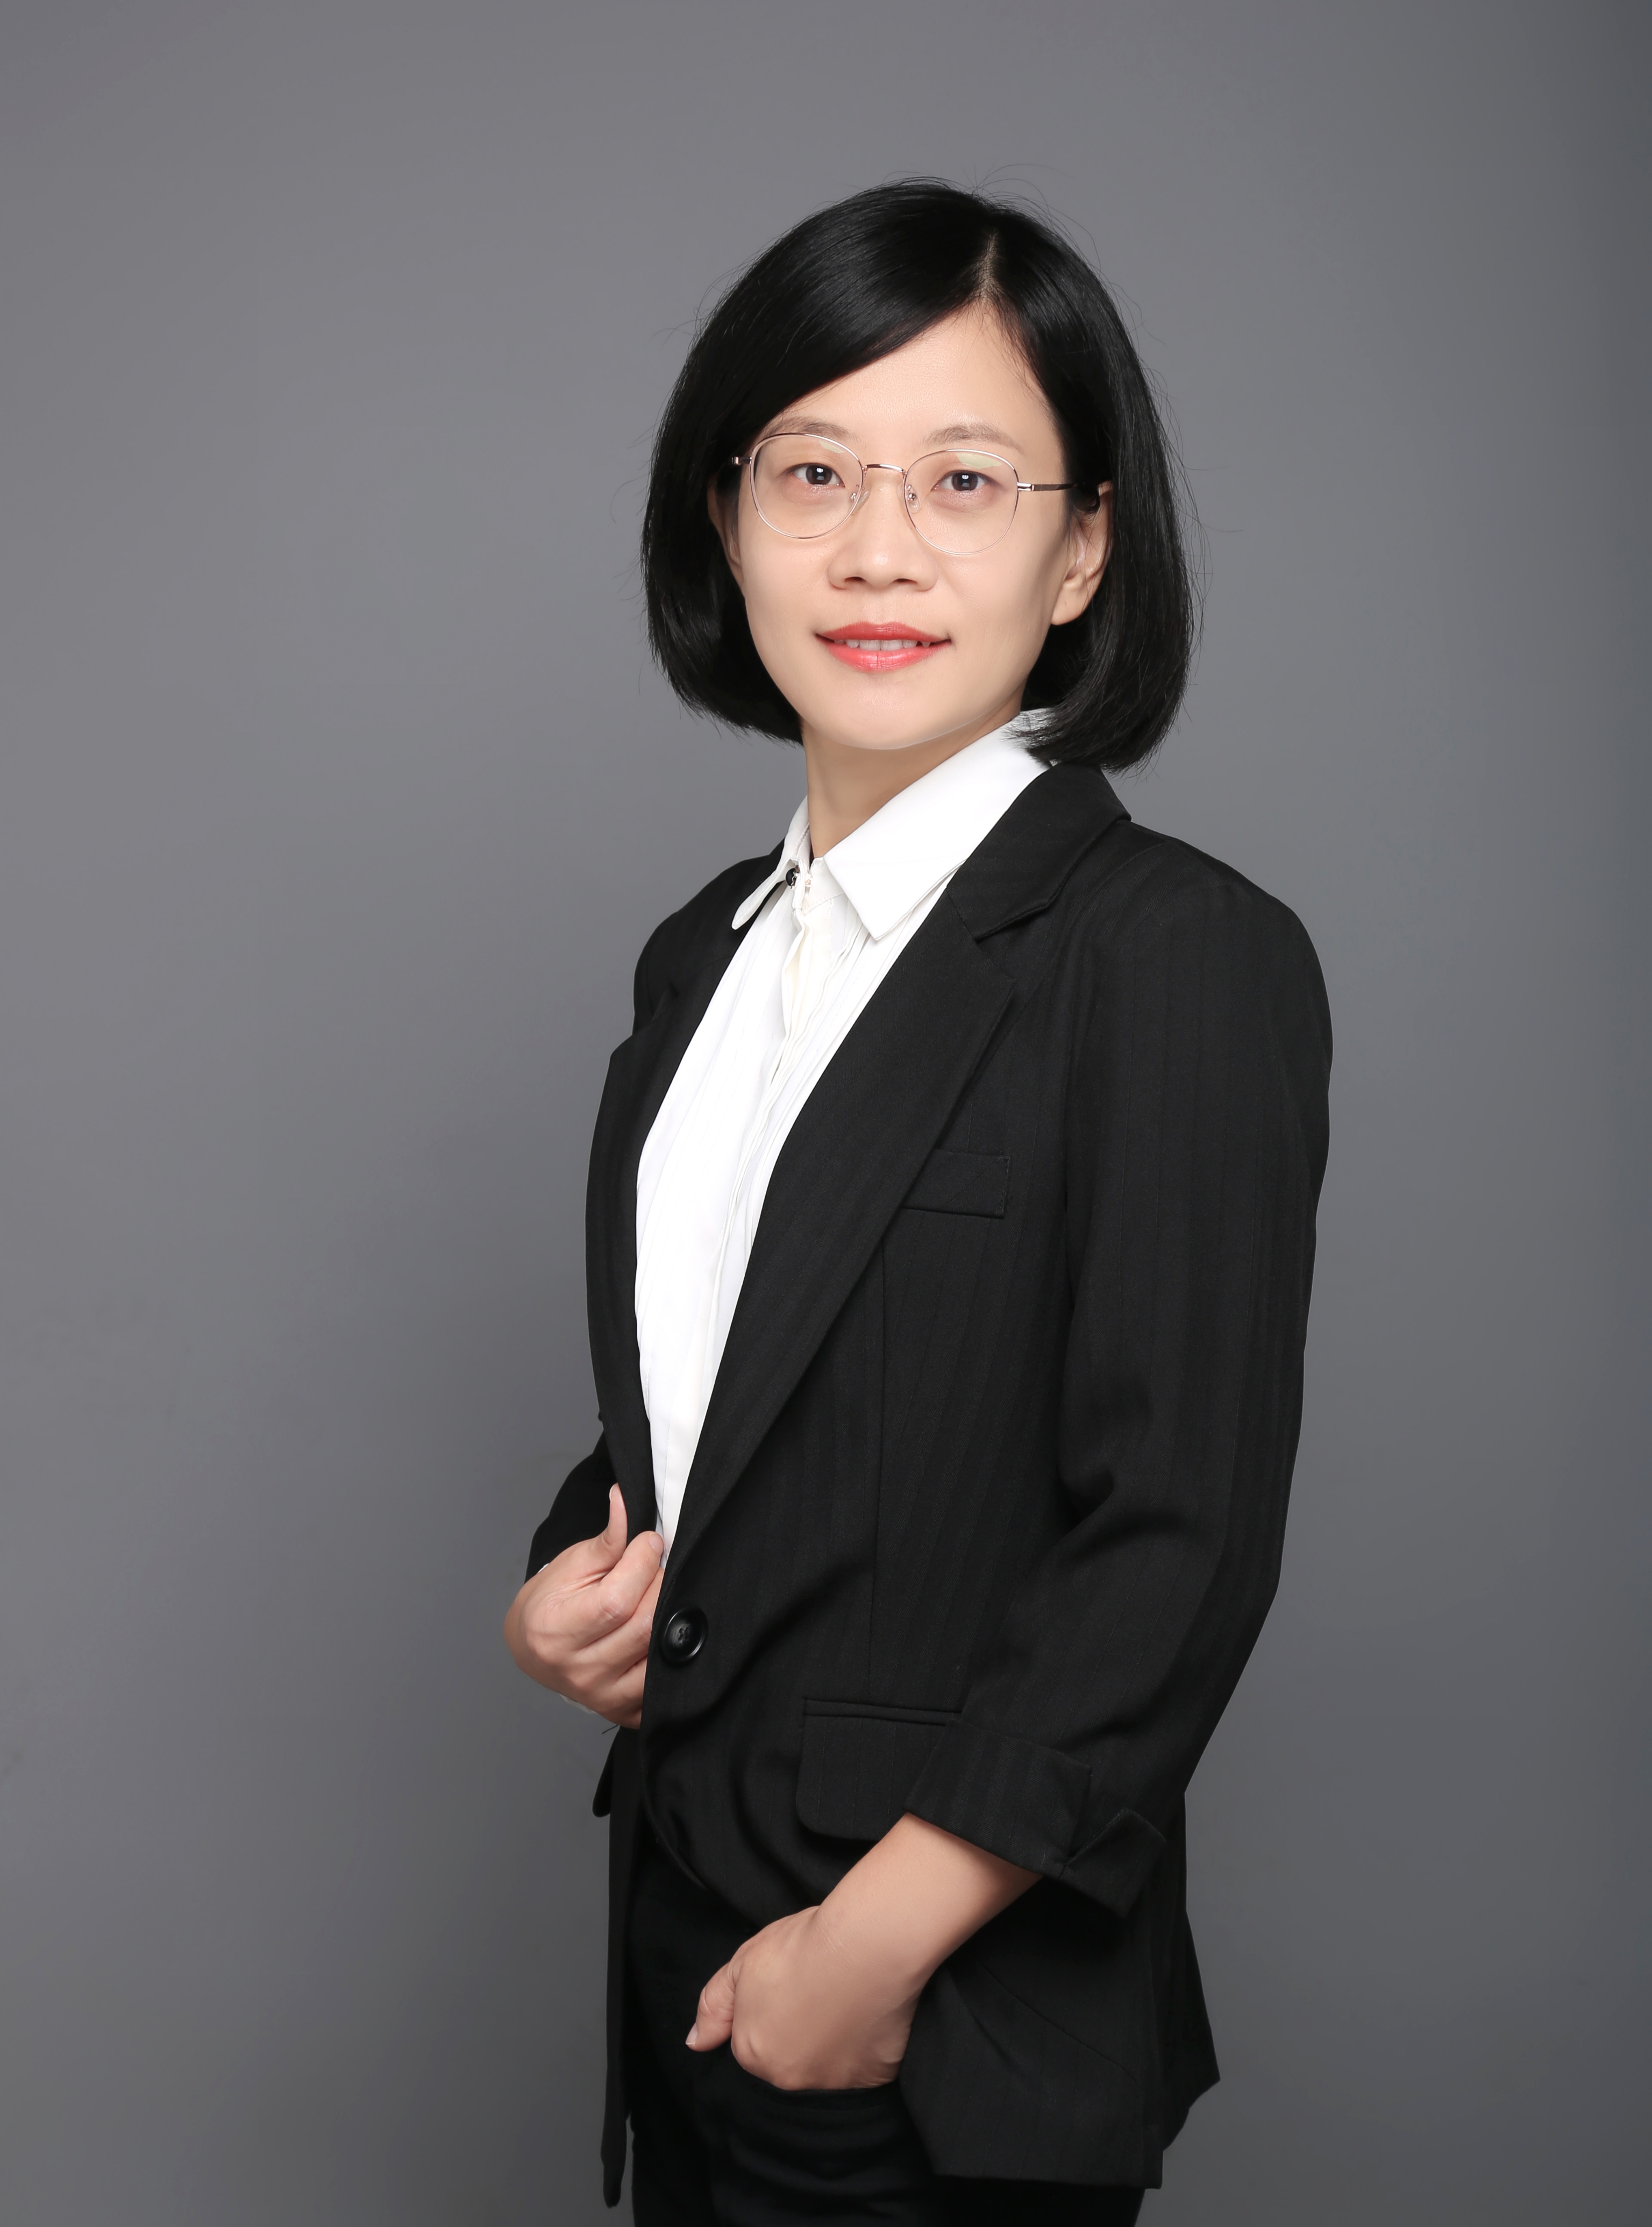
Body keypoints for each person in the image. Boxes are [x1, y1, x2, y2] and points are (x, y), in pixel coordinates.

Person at [504, 179, 1331, 2226]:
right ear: (727, 522)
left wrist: (866, 1959)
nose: (878, 548)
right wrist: (567, 1581)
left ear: (1084, 549)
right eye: (813, 472)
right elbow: (742, 1390)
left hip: (932, 2022)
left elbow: (1177, 1534)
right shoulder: (704, 954)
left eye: (966, 480)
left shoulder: (1173, 954)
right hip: (681, 1961)